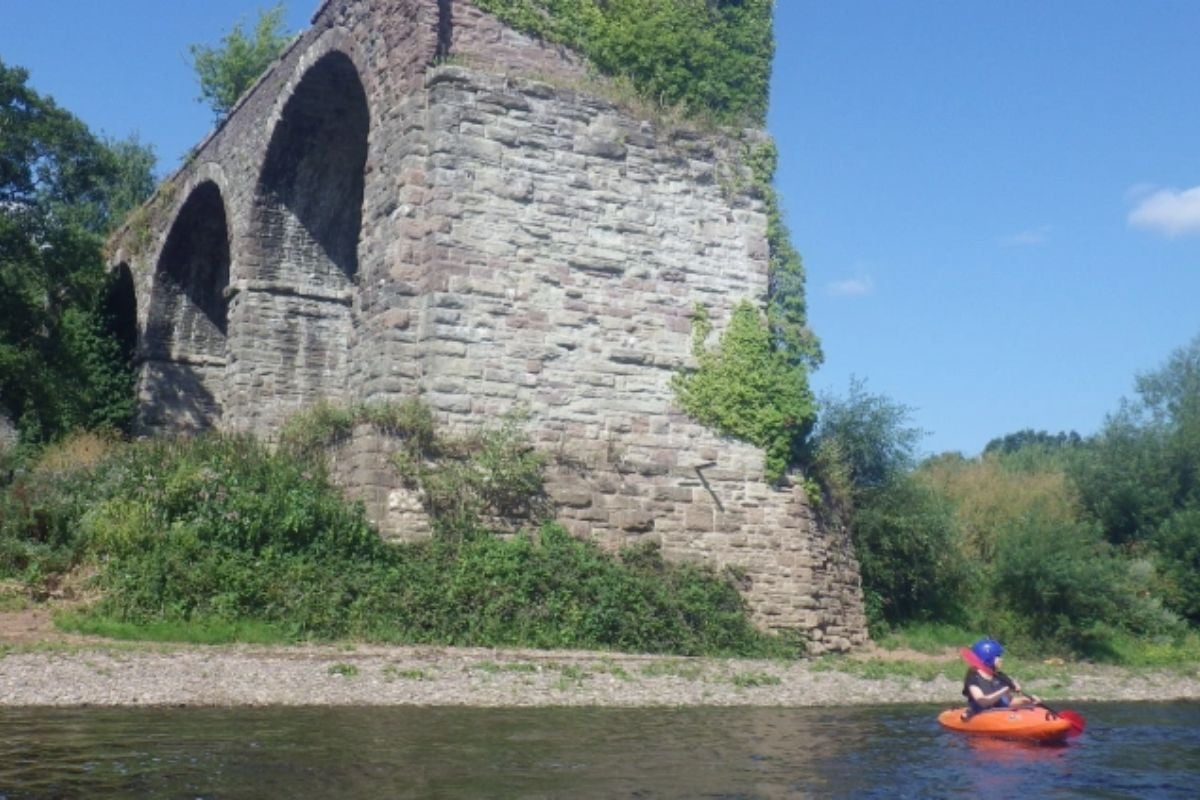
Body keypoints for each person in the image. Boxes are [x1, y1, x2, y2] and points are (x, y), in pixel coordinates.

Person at [961, 638, 1041, 716]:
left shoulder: (1000, 676)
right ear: (988, 658)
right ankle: (969, 712)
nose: (1001, 659)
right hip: (981, 714)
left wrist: (1028, 701)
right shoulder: (973, 678)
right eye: (998, 656)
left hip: (999, 715)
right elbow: (983, 702)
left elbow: (1010, 702)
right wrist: (1005, 689)